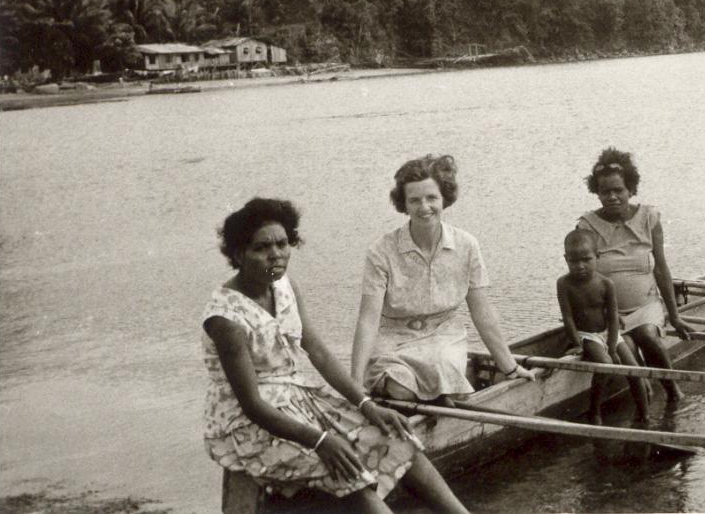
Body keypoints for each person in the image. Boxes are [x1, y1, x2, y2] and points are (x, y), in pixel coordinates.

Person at [202, 197, 467, 514]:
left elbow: (317, 351)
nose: (276, 254)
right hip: (246, 425)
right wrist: (321, 441)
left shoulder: (284, 286)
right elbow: (252, 405)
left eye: (283, 244)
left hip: (298, 401)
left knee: (398, 440)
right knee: (349, 471)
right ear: (238, 254)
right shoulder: (226, 320)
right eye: (261, 248)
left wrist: (367, 405)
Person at [351, 155, 535, 407]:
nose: (424, 207)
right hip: (394, 338)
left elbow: (482, 312)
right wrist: (354, 381)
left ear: (444, 198)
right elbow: (368, 320)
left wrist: (510, 367)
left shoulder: (466, 245)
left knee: (451, 389)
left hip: (443, 337)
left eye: (431, 198)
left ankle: (446, 398)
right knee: (401, 391)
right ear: (403, 204)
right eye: (414, 200)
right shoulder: (381, 251)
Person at [578, 147, 693, 401]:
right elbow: (583, 280)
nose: (612, 197)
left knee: (647, 336)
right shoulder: (587, 226)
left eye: (618, 190)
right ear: (596, 192)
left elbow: (661, 269)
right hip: (609, 312)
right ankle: (643, 396)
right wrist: (605, 314)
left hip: (645, 306)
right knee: (627, 346)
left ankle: (674, 392)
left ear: (630, 189)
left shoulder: (649, 218)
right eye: (605, 191)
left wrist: (674, 317)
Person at [556, 228, 650, 425]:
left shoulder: (606, 283)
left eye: (586, 259)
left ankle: (644, 414)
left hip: (609, 332)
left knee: (634, 369)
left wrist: (613, 344)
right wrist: (577, 344)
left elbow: (614, 318)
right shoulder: (564, 284)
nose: (580, 266)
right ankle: (595, 411)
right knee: (606, 366)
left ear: (597, 257)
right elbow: (568, 317)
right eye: (574, 261)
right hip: (585, 335)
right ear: (566, 259)